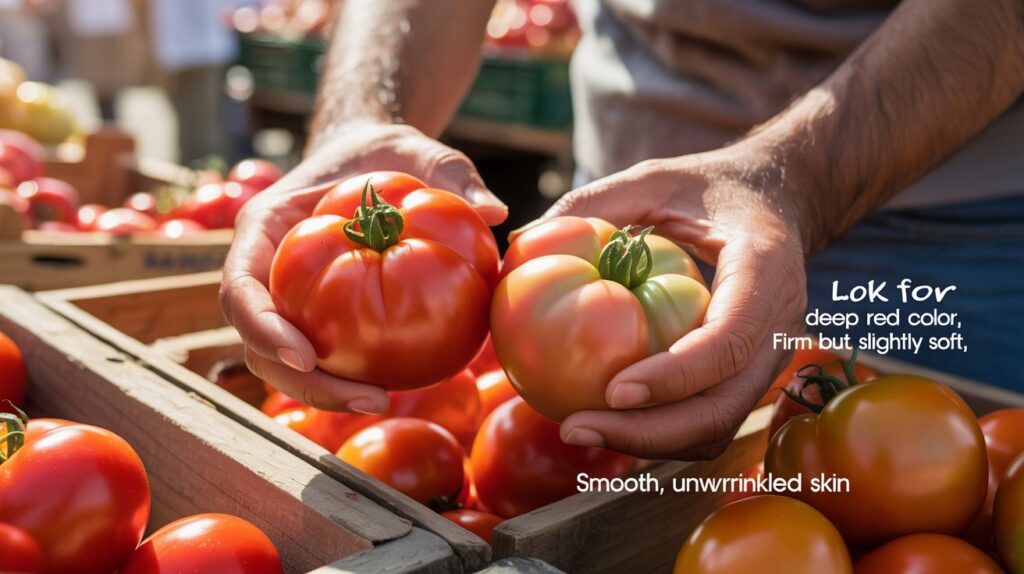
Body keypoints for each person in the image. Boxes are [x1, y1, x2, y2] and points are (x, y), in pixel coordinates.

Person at [220, 0, 1024, 460]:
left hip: (950, 213)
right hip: (624, 203)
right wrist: (359, 121)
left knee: (930, 486)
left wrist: (795, 181)